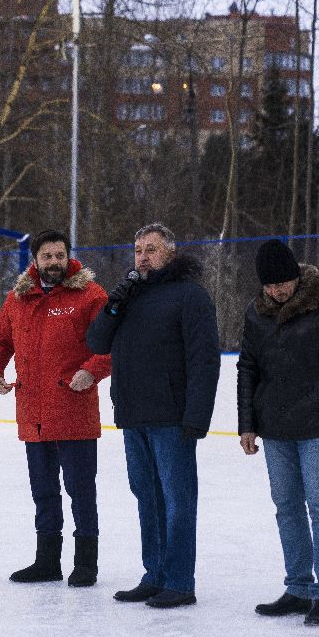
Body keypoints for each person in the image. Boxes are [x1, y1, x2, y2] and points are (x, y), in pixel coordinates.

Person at [237, 240, 319, 626]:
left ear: (297, 276)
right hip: (275, 429)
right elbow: (248, 367)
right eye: (270, 285)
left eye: (284, 283)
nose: (278, 291)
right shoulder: (256, 312)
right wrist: (247, 423)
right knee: (287, 508)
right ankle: (298, 588)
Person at [87, 223, 220, 608]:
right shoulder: (129, 296)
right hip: (133, 415)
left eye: (151, 249)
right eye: (138, 250)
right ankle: (154, 575)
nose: (143, 257)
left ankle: (179, 581)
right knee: (147, 497)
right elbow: (96, 342)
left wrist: (197, 416)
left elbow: (204, 360)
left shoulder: (190, 296)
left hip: (172, 418)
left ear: (170, 254)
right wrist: (114, 304)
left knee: (177, 500)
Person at [0, 229, 112, 587]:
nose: (54, 262)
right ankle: (47, 561)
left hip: (73, 411)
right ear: (35, 259)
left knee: (81, 491)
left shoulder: (90, 296)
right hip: (33, 415)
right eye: (47, 256)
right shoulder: (18, 299)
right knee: (43, 492)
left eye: (59, 255)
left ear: (68, 256)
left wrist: (91, 370)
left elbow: (113, 343)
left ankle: (86, 563)